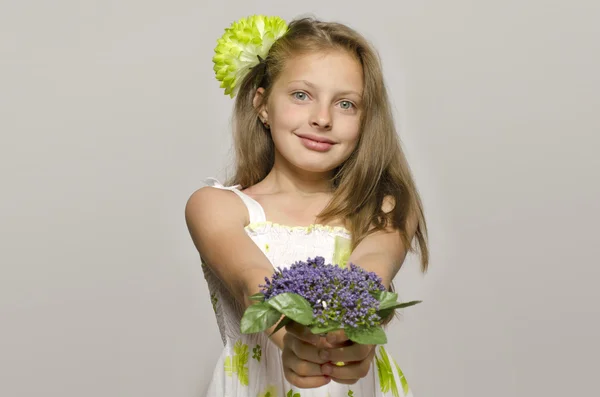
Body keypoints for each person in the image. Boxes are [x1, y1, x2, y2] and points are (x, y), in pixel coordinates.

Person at [185, 14, 429, 397]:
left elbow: (369, 273)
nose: (322, 119)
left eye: (346, 104)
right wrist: (289, 335)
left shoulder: (384, 207)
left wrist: (352, 339)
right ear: (263, 105)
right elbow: (252, 278)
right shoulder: (216, 206)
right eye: (301, 95)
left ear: (367, 121)